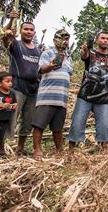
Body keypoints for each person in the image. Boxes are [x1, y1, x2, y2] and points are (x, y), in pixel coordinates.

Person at [68, 31, 108, 151]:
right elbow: (83, 55)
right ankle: (71, 151)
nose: (105, 40)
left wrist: (104, 85)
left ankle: (104, 149)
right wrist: (85, 49)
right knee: (77, 121)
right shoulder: (91, 54)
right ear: (97, 40)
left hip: (103, 98)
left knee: (104, 125)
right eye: (103, 38)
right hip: (85, 96)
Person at [2, 10, 42, 155]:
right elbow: (5, 36)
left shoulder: (39, 50)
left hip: (33, 89)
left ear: (34, 32)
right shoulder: (16, 45)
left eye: (31, 30)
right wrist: (11, 20)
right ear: (20, 30)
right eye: (26, 29)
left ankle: (21, 147)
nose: (29, 32)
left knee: (28, 120)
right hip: (17, 87)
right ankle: (1, 147)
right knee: (11, 116)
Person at [32, 29, 73, 159]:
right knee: (39, 125)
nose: (64, 41)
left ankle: (59, 149)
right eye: (61, 38)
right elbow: (41, 69)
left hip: (61, 97)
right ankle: (37, 149)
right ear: (55, 39)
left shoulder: (69, 57)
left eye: (66, 39)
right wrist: (51, 65)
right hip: (46, 96)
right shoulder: (47, 53)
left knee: (58, 127)